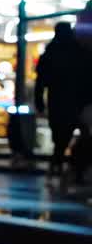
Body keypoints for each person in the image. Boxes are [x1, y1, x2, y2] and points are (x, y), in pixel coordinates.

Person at [36, 22, 86, 176]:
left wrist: (39, 102)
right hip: (76, 100)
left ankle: (58, 161)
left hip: (57, 100)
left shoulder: (50, 52)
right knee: (75, 132)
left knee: (59, 134)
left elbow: (40, 81)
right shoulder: (78, 51)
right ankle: (70, 165)